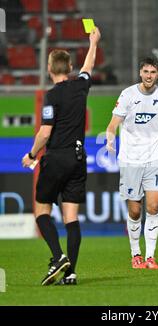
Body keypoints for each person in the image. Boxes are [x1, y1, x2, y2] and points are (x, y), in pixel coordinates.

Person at [22, 27, 101, 286]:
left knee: (41, 209)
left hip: (56, 158)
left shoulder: (51, 96)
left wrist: (32, 154)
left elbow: (45, 133)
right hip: (78, 158)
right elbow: (88, 65)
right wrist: (93, 42)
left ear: (49, 68)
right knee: (71, 217)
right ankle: (71, 273)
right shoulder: (80, 87)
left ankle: (58, 257)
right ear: (69, 67)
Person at [106, 57, 158, 270]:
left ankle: (150, 257)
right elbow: (113, 124)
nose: (149, 76)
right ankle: (136, 254)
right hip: (130, 160)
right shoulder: (127, 95)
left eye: (153, 72)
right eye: (145, 71)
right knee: (135, 211)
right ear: (140, 72)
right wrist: (109, 138)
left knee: (153, 208)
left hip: (154, 158)